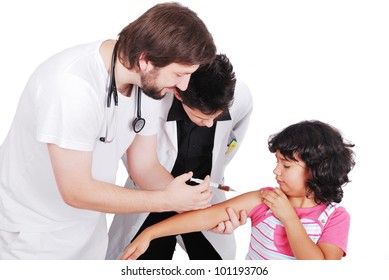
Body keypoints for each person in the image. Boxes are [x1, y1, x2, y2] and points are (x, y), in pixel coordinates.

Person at [0, 2, 228, 260]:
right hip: (31, 237)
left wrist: (199, 210)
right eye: (179, 73)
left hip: (86, 233)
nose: (184, 85)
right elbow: (76, 191)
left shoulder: (147, 85)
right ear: (145, 60)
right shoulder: (71, 87)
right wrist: (168, 201)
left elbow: (145, 167)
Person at [120, 120, 356, 260]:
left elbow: (319, 269)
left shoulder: (335, 218)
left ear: (317, 169)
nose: (276, 172)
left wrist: (289, 217)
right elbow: (205, 217)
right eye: (276, 162)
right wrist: (150, 233)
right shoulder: (265, 199)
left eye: (286, 165)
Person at [106, 54, 253, 260]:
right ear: (178, 93)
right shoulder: (149, 101)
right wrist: (168, 192)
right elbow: (134, 157)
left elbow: (231, 142)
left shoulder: (241, 97)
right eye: (202, 117)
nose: (210, 124)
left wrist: (213, 175)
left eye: (217, 117)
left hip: (204, 200)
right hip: (154, 194)